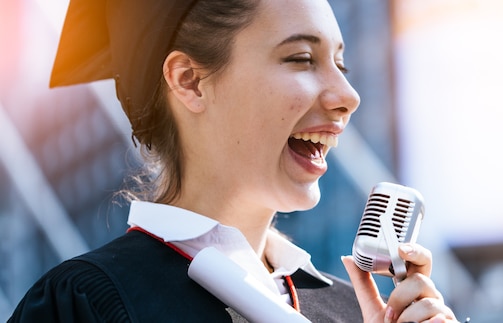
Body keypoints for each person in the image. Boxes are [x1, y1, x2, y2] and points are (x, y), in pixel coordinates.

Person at [9, 0, 459, 322]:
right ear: (190, 81)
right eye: (301, 59)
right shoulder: (86, 303)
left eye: (341, 65)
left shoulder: (353, 309)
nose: (348, 97)